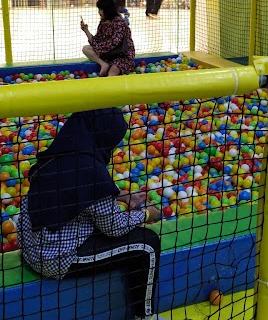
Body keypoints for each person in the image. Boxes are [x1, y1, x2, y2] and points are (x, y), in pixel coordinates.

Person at [19, 108, 163, 320]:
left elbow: (73, 194)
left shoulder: (59, 153)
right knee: (147, 244)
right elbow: (115, 228)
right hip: (54, 260)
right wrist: (148, 214)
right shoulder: (92, 172)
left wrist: (118, 194)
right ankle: (144, 316)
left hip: (31, 247)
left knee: (102, 223)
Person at [81, 0, 135, 77]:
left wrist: (98, 49)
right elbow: (96, 40)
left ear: (107, 10)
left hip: (122, 55)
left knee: (112, 72)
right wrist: (86, 31)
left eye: (100, 10)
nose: (99, 12)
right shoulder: (103, 22)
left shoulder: (119, 23)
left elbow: (113, 43)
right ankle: (103, 64)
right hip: (108, 54)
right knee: (86, 48)